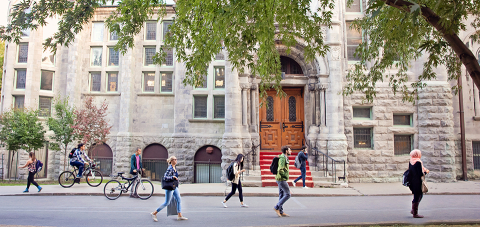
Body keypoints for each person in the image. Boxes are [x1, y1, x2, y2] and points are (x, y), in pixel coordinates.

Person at [151, 156, 188, 221]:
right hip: (169, 188)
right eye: (174, 159)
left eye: (176, 159)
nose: (176, 160)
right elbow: (165, 177)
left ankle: (179, 215)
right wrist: (172, 177)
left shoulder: (175, 167)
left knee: (179, 199)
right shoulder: (170, 168)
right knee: (167, 202)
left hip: (174, 186)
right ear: (171, 161)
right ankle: (154, 213)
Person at [408, 149, 429, 218]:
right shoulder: (418, 162)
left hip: (412, 181)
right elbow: (420, 173)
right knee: (418, 196)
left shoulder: (411, 161)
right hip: (417, 181)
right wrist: (426, 172)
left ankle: (413, 210)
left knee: (417, 195)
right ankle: (415, 213)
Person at [274, 146, 292, 217]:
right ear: (286, 151)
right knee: (288, 194)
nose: (291, 151)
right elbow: (280, 169)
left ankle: (280, 211)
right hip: (281, 179)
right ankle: (276, 207)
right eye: (290, 150)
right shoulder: (283, 158)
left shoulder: (284, 157)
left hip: (280, 178)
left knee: (281, 194)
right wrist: (284, 176)